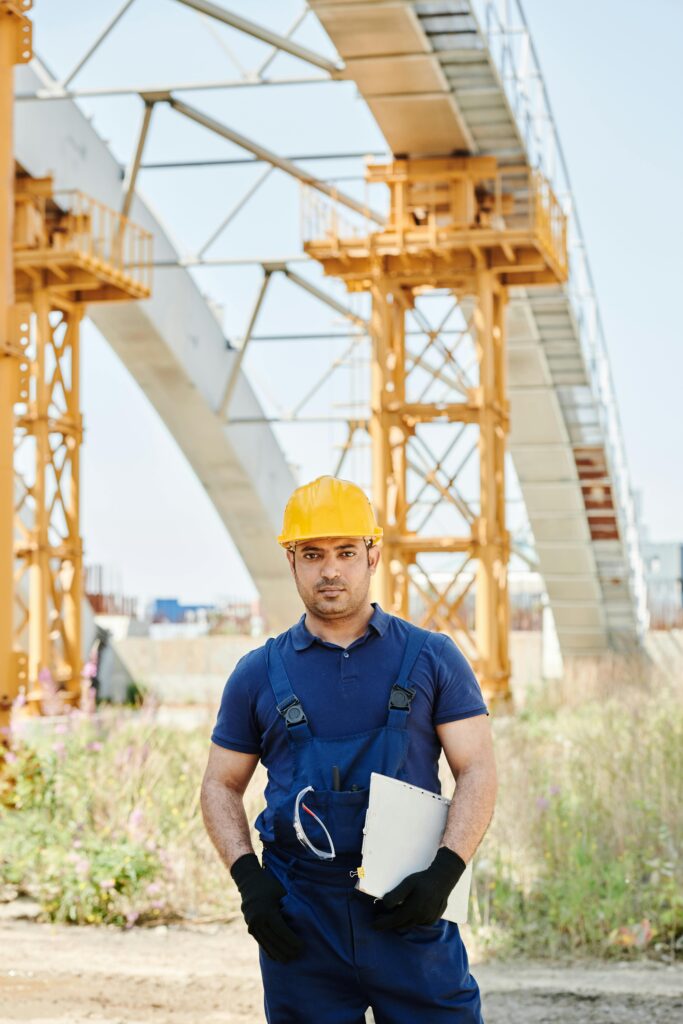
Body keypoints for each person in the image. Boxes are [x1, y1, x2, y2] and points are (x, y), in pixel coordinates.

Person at [201, 476, 497, 1023]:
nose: (329, 569)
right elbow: (220, 785)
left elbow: (477, 768)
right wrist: (251, 884)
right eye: (312, 554)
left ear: (372, 556)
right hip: (302, 919)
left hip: (409, 907)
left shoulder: (432, 658)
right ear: (292, 562)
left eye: (345, 552)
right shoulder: (256, 675)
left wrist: (444, 872)